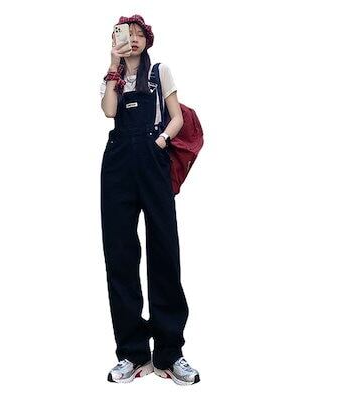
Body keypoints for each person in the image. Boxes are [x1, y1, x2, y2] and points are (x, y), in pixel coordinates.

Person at [99, 14, 200, 386]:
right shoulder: (113, 78)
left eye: (140, 34)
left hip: (153, 160)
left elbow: (176, 117)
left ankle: (170, 354)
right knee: (120, 254)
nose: (134, 39)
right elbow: (110, 111)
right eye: (128, 34)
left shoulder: (160, 72)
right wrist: (113, 63)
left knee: (164, 251)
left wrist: (161, 141)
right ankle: (132, 353)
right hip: (118, 164)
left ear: (148, 39)